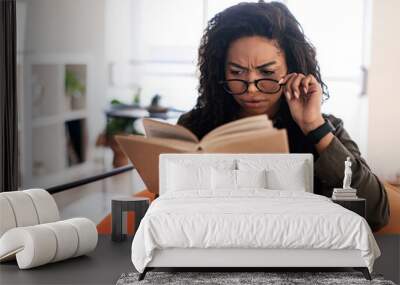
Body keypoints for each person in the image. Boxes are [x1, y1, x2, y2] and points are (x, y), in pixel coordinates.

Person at [177, 1, 389, 231]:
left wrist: (313, 126)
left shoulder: (325, 128)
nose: (251, 89)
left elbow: (377, 213)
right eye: (236, 72)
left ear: (292, 70)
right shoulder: (194, 127)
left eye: (267, 72)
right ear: (220, 71)